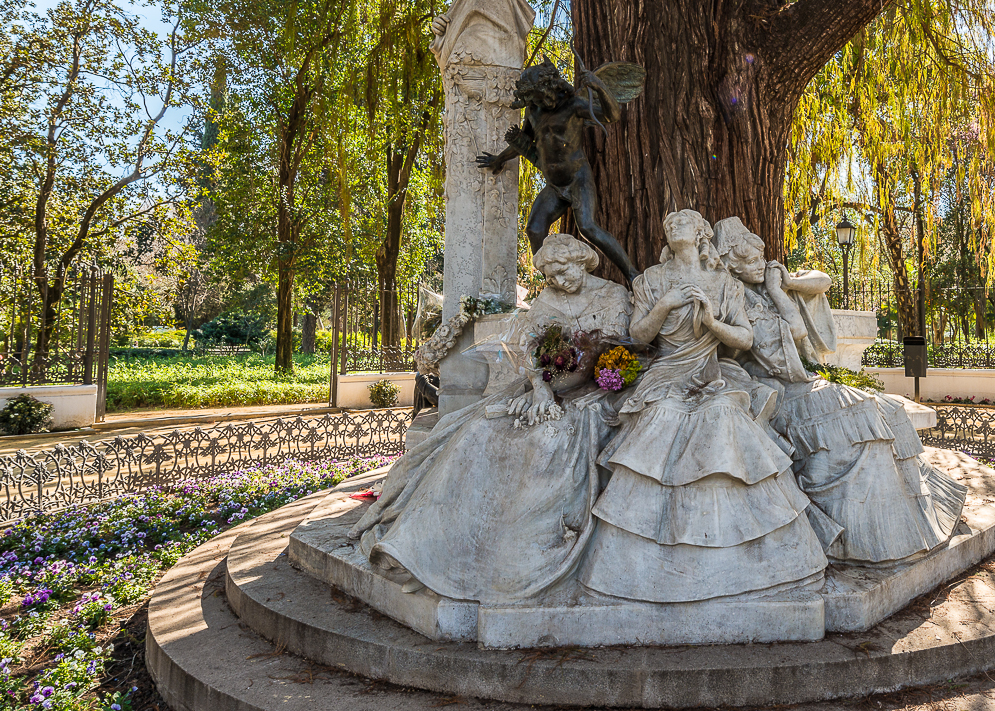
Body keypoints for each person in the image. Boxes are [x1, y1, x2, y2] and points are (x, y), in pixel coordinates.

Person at [347, 233, 631, 603]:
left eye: (563, 270)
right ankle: (430, 552)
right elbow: (532, 347)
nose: (558, 280)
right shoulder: (548, 298)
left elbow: (614, 351)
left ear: (582, 262)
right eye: (551, 275)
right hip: (545, 388)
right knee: (477, 431)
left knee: (546, 441)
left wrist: (561, 387)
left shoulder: (611, 296)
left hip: (595, 392)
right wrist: (540, 387)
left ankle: (499, 560)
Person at [577, 209, 828, 603]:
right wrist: (665, 305)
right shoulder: (650, 280)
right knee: (660, 417)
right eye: (669, 224)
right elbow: (638, 333)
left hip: (710, 372)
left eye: (683, 223)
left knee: (726, 415)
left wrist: (712, 322)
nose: (674, 226)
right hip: (664, 372)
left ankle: (732, 550)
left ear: (700, 235)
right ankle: (646, 559)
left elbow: (744, 338)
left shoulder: (724, 283)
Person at [712, 217, 967, 565]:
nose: (761, 265)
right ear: (732, 265)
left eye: (761, 258)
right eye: (752, 262)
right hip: (774, 387)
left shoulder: (764, 286)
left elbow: (823, 281)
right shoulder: (738, 298)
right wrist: (776, 291)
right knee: (859, 410)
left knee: (887, 408)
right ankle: (867, 541)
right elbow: (791, 341)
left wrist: (785, 282)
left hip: (800, 380)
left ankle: (910, 524)